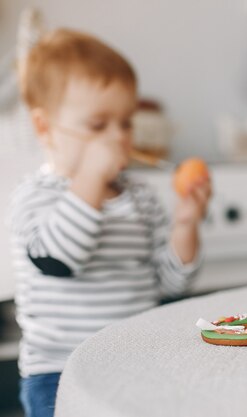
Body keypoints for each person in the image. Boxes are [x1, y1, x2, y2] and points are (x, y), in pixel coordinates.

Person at [9, 28, 212, 417]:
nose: (117, 138)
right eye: (98, 125)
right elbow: (58, 260)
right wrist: (89, 180)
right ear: (44, 127)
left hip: (138, 361)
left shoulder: (140, 198)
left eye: (125, 123)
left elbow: (171, 284)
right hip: (59, 372)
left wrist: (185, 225)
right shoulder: (35, 196)